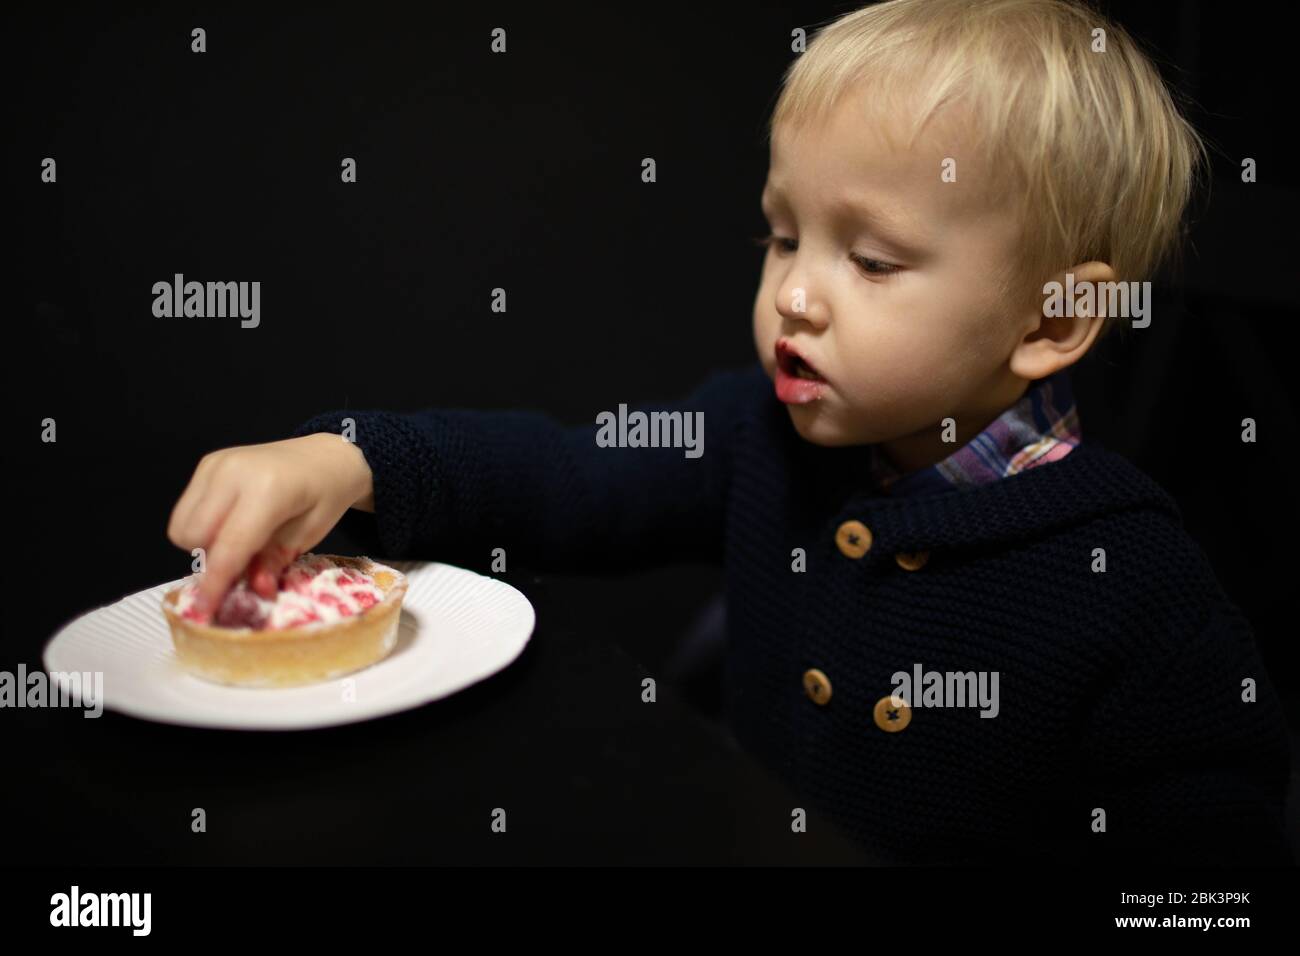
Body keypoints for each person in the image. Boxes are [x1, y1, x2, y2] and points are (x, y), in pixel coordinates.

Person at [166, 0, 1292, 864]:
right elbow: (562, 474)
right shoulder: (756, 431)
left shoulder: (1133, 584)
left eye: (871, 258)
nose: (795, 294)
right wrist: (351, 455)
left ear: (1053, 318)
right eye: (781, 235)